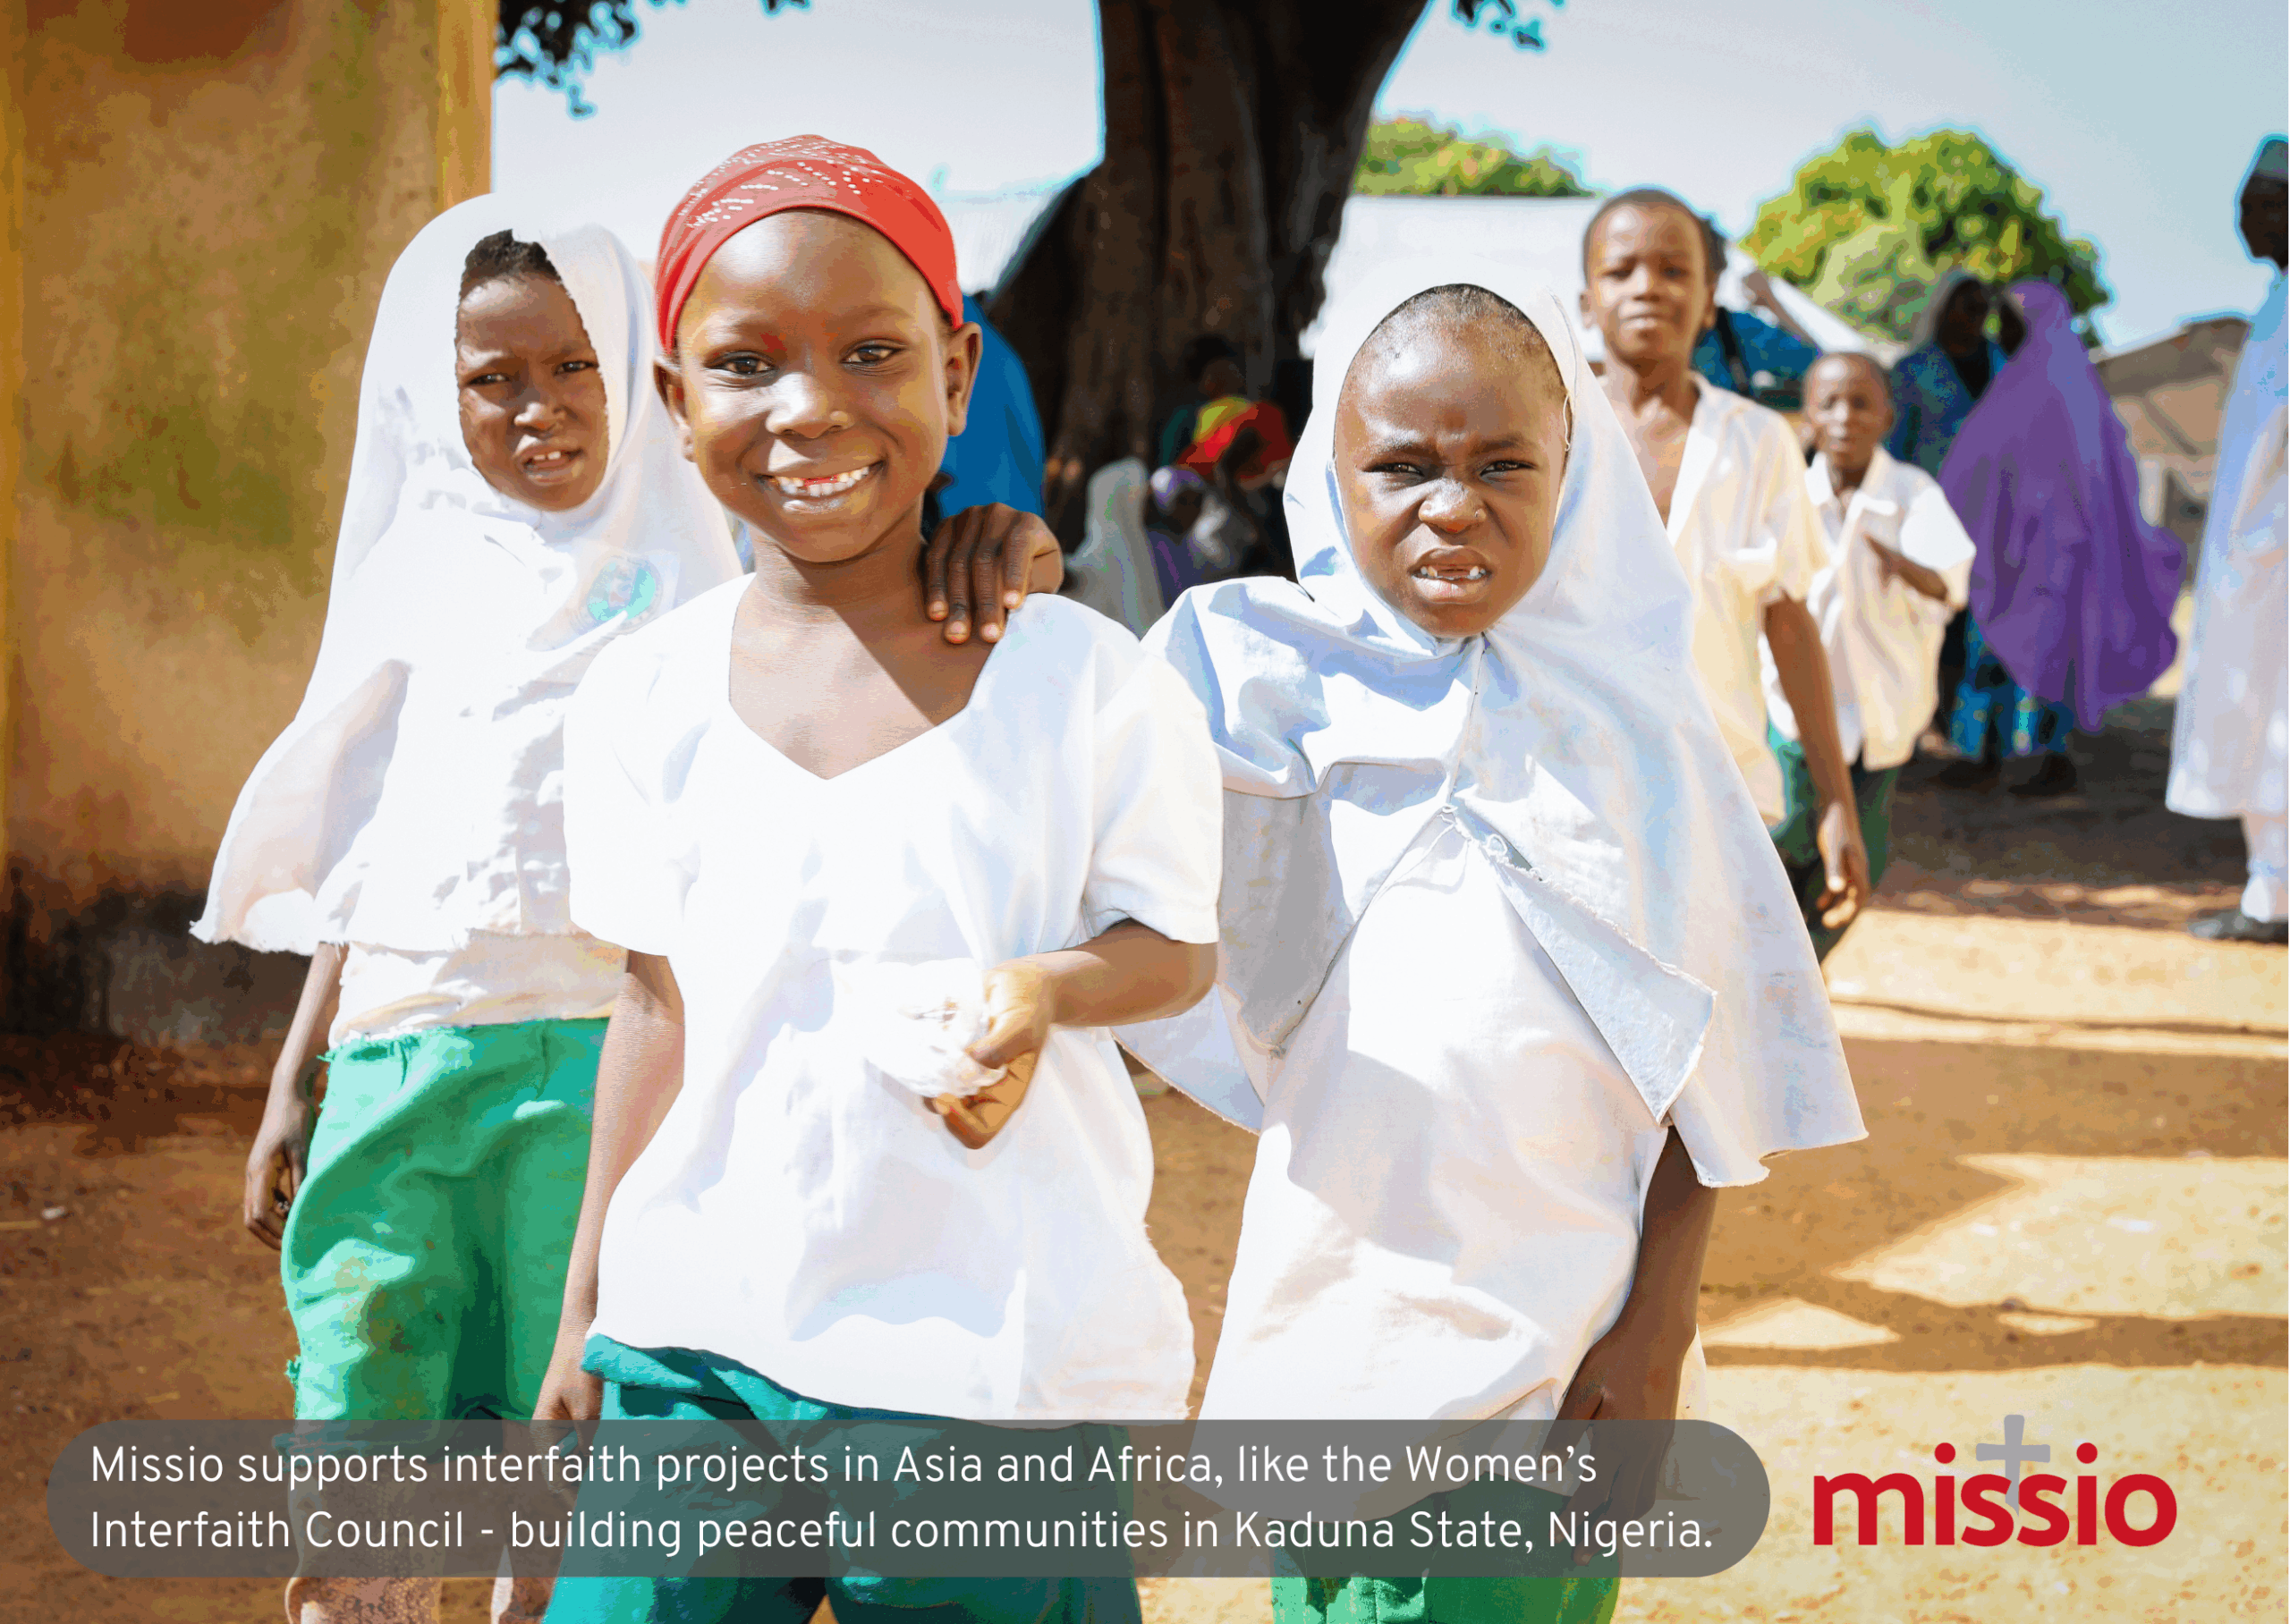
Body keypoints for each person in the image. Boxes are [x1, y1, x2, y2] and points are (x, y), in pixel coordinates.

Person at [199, 199, 1062, 1624]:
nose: (536, 408)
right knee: (364, 1390)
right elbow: (377, 842)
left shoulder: (704, 576)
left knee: (565, 1433)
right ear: (433, 390)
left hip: (603, 1072)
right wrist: (298, 1076)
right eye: (492, 378)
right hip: (396, 1060)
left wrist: (1006, 541)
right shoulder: (417, 574)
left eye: (573, 367)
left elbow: (887, 601)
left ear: (636, 377)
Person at [538, 137, 1223, 1624]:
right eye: (746, 364)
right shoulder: (642, 694)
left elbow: (1176, 948)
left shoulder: (1081, 680)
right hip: (693, 1346)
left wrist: (1040, 990)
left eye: (871, 353)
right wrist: (585, 1312)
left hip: (985, 1365)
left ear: (957, 376)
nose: (810, 407)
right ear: (674, 399)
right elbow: (655, 1006)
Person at [1122, 259, 1863, 1624]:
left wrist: (1660, 1328)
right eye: (1401, 467)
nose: (1452, 506)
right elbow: (1057, 802)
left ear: (1574, 476)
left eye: (1503, 465)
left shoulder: (1641, 731)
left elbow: (1709, 1062)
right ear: (1329, 478)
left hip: (1565, 1354)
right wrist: (998, 572)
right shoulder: (1252, 686)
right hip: (1341, 1322)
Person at [1578, 187, 1870, 928]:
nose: (1648, 287)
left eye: (1675, 271)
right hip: (1572, 791)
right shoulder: (1550, 436)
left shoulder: (1759, 442)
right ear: (1585, 302)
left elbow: (1789, 620)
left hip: (1724, 794)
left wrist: (1836, 801)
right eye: (1621, 271)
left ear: (1710, 304)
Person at [1940, 280, 2184, 799]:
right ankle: (1990, 753)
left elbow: (2083, 474)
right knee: (2005, 648)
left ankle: (2040, 758)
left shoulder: (2051, 385)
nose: (2001, 332)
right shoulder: (2039, 381)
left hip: (2047, 554)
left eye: (2010, 321)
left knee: (2040, 654)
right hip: (2011, 548)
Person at [1766, 354, 1974, 958]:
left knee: (1863, 858)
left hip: (1881, 717)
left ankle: (1804, 968)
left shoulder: (1912, 494)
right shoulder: (1786, 494)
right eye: (1828, 404)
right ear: (1807, 416)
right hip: (1793, 713)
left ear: (1887, 416)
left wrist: (1899, 562)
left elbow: (1951, 583)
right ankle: (1773, 968)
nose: (1844, 418)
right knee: (1786, 838)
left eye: (1861, 404)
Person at [2168, 136, 2289, 944]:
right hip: (2256, 560)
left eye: (2263, 203)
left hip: (2276, 558)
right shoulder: (2276, 305)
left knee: (2277, 722)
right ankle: (2269, 888)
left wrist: (2269, 535)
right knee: (2258, 718)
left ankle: (2272, 900)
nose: (2246, 219)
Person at [934, 291, 1046, 516]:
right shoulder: (1003, 359)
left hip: (959, 512)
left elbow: (941, 471)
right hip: (1013, 513)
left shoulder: (947, 356)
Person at [1887, 270, 2006, 477]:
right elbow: (1896, 443)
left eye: (1983, 309)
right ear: (1944, 307)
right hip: (1931, 486)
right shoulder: (1912, 370)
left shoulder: (2004, 364)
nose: (1976, 316)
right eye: (1969, 307)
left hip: (1992, 485)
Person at [1147, 464, 1210, 605]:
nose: (1191, 510)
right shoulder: (1154, 544)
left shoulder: (1187, 544)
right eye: (1183, 502)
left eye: (1197, 502)